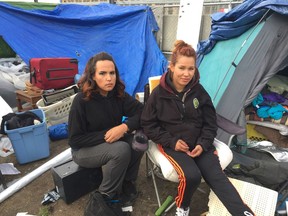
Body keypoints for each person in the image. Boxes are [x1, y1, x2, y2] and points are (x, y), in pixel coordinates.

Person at [141, 40, 255, 216]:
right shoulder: (158, 95)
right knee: (191, 175)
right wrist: (172, 141)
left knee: (217, 177)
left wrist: (203, 143)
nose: (186, 74)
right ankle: (183, 207)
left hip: (199, 143)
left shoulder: (199, 92)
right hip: (173, 144)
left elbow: (210, 123)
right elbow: (148, 124)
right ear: (171, 67)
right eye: (182, 68)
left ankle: (244, 213)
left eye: (191, 69)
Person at [68, 52, 144, 215]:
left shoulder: (118, 95)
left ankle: (127, 182)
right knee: (120, 149)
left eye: (112, 73)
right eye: (102, 73)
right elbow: (75, 140)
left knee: (139, 140)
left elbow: (143, 112)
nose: (109, 78)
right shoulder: (81, 100)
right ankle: (107, 196)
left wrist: (124, 127)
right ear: (93, 76)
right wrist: (107, 136)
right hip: (83, 151)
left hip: (110, 143)